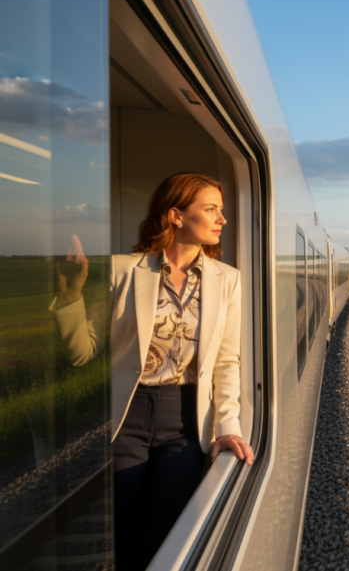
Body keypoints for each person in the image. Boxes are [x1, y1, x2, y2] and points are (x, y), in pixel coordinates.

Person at [51, 172, 254, 570]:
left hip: (185, 421)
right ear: (176, 215)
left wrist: (229, 425)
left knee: (164, 536)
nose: (222, 219)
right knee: (122, 534)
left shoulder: (228, 280)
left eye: (221, 210)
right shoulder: (123, 271)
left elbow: (227, 362)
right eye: (211, 209)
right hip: (126, 416)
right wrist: (71, 296)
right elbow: (81, 353)